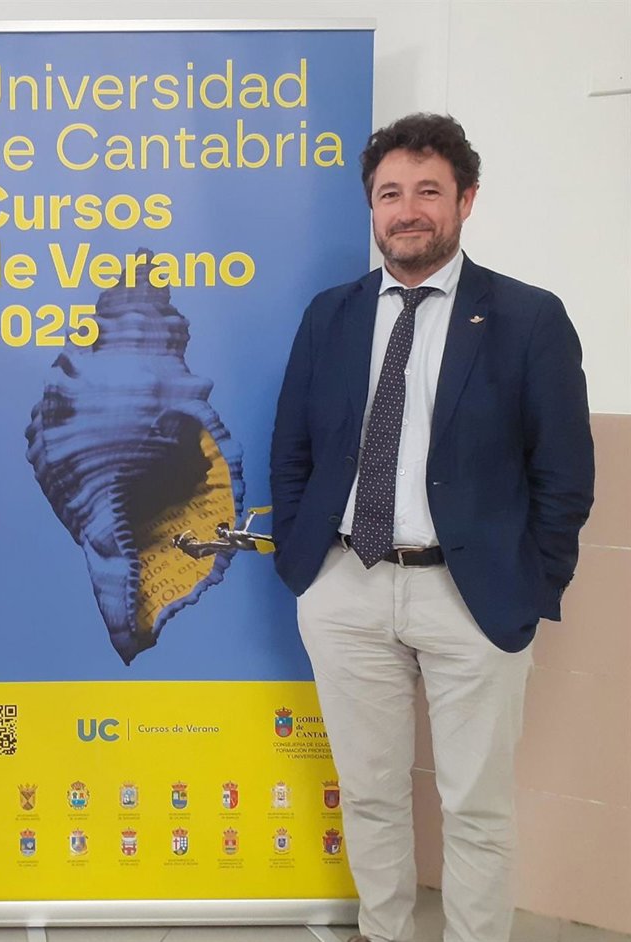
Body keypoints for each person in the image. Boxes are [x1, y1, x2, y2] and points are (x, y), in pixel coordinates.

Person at [270, 113, 594, 942]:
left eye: (427, 191)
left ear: (466, 200)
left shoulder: (527, 318)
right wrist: (304, 568)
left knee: (476, 809)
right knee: (369, 795)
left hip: (472, 594)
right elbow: (292, 449)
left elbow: (565, 475)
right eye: (390, 194)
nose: (407, 210)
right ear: (371, 208)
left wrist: (532, 584)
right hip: (346, 585)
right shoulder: (330, 315)